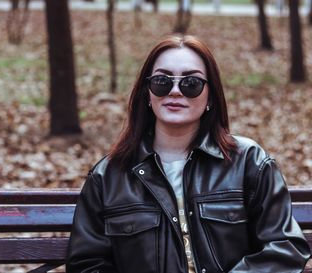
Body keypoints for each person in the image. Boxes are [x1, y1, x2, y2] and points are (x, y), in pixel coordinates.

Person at [66, 35, 311, 273]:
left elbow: (285, 247)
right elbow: (87, 264)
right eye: (162, 81)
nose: (174, 91)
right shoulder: (109, 175)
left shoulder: (249, 162)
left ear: (210, 97)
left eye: (191, 83)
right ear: (147, 93)